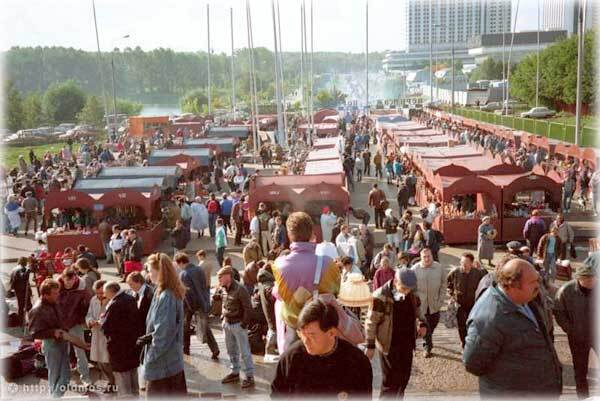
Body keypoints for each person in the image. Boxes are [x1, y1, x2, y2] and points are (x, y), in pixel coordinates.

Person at [463, 258, 562, 397]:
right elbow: (473, 363)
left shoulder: (529, 299)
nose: (538, 286)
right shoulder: (489, 318)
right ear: (513, 285)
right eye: (533, 282)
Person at [271, 299, 372, 398]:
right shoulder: (291, 359)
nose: (305, 341)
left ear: (332, 333)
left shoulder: (357, 362)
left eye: (312, 335)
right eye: (302, 334)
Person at [272, 212, 340, 354]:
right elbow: (336, 292)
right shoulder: (328, 264)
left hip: (293, 333)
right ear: (311, 234)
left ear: (290, 236)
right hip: (322, 333)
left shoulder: (278, 266)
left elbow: (279, 295)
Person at [365, 268, 427, 399]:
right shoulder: (380, 296)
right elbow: (371, 322)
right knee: (390, 384)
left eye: (409, 289)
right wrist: (370, 345)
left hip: (407, 343)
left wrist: (422, 324)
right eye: (404, 288)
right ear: (395, 281)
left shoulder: (412, 293)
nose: (407, 291)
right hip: (389, 345)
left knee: (403, 380)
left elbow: (418, 311)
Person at [142, 253, 187, 396]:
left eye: (149, 270)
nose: (148, 274)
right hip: (170, 364)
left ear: (159, 271)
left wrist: (149, 358)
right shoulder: (164, 291)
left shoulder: (166, 296)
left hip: (163, 368)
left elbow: (163, 334)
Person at [553, 258, 598, 399]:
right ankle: (583, 398)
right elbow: (558, 312)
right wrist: (570, 329)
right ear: (579, 279)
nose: (592, 282)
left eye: (594, 279)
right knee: (580, 371)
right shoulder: (565, 291)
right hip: (578, 337)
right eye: (588, 280)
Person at [214, 266, 255, 389]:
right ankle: (235, 372)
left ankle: (249, 376)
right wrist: (223, 317)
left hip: (238, 325)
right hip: (227, 324)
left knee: (244, 352)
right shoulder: (223, 288)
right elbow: (223, 303)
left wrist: (243, 324)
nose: (218, 279)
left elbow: (248, 308)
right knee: (231, 350)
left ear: (228, 276)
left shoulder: (240, 289)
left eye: (220, 277)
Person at [28, 279, 71, 398]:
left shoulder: (53, 302)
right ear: (45, 295)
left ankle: (55, 396)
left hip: (61, 341)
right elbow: (34, 333)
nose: (58, 296)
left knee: (63, 375)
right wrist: (53, 332)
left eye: (58, 292)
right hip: (51, 344)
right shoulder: (37, 309)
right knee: (57, 375)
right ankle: (55, 397)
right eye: (55, 293)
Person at [101, 281, 142, 397]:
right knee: (133, 376)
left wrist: (102, 320)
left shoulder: (115, 304)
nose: (105, 295)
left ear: (110, 291)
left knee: (123, 380)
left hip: (119, 347)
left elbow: (106, 326)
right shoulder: (131, 299)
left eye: (105, 293)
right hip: (132, 345)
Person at [174, 253, 214, 358]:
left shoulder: (184, 274)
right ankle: (215, 349)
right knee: (204, 326)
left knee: (185, 326)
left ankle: (186, 348)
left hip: (190, 305)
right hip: (202, 301)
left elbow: (187, 293)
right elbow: (204, 286)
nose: (178, 267)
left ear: (182, 263)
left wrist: (191, 307)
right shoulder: (199, 269)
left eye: (178, 265)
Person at [57, 267, 92, 386]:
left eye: (71, 281)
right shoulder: (56, 286)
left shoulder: (81, 287)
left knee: (80, 351)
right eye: (67, 281)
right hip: (60, 324)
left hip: (75, 322)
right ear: (62, 278)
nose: (69, 284)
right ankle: (63, 378)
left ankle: (85, 378)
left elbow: (88, 304)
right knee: (62, 352)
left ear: (75, 278)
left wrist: (83, 319)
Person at [446, 253, 487, 348]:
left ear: (472, 263)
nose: (463, 265)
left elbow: (486, 282)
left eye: (466, 263)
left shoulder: (478, 273)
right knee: (461, 325)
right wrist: (451, 294)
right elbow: (448, 284)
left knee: (472, 325)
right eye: (462, 262)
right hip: (459, 304)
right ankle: (464, 343)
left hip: (473, 305)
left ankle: (471, 341)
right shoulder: (455, 272)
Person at [412, 248, 446, 358]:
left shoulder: (439, 267)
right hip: (421, 306)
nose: (427, 259)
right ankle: (427, 347)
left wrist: (441, 300)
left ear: (432, 256)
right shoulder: (414, 269)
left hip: (435, 304)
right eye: (424, 257)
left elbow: (443, 284)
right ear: (421, 258)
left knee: (433, 324)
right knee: (425, 326)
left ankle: (428, 338)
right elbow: (411, 288)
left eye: (428, 256)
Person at [9, 257, 32, 324]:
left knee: (21, 307)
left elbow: (11, 281)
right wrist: (28, 270)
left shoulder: (14, 269)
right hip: (23, 290)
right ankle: (30, 320)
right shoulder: (22, 268)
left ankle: (21, 321)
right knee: (28, 306)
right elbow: (23, 277)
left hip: (18, 290)